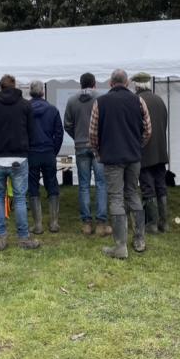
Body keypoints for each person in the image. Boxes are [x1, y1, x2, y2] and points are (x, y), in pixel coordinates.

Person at [89, 69, 152, 259]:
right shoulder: (138, 101)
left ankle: (120, 246)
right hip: (133, 156)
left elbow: (92, 134)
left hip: (111, 157)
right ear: (127, 83)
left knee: (116, 197)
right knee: (133, 193)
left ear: (110, 83)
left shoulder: (100, 102)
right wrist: (137, 146)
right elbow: (148, 130)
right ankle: (140, 241)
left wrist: (99, 152)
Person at [0, 74, 41, 251]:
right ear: (15, 86)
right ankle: (23, 238)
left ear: (1, 87)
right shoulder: (25, 105)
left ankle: (1, 237)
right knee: (19, 198)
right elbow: (31, 130)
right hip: (19, 157)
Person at [64, 72, 110, 237]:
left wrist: (77, 137)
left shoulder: (71, 100)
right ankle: (101, 224)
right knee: (101, 184)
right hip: (98, 146)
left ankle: (86, 224)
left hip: (80, 146)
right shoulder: (102, 99)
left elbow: (67, 124)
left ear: (80, 84)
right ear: (94, 84)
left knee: (83, 185)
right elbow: (107, 123)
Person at [131, 72, 169, 234]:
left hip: (144, 150)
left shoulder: (136, 101)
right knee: (161, 186)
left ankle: (152, 224)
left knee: (147, 188)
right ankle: (164, 223)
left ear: (137, 85)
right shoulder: (159, 100)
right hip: (160, 150)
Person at [27, 80, 64, 234]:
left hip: (31, 153)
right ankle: (54, 223)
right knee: (52, 184)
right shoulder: (52, 109)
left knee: (33, 187)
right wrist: (53, 151)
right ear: (43, 92)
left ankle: (38, 225)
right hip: (48, 152)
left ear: (30, 92)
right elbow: (59, 134)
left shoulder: (25, 109)